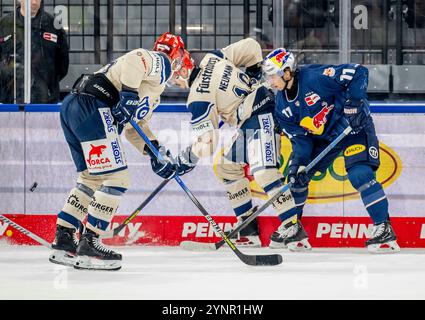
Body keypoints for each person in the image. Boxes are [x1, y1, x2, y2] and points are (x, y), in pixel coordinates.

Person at [48, 32, 193, 271]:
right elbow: (135, 58)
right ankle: (90, 241)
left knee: (90, 177)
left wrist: (155, 152)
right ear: (176, 57)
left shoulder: (151, 89)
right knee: (118, 177)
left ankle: (64, 238)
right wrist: (127, 95)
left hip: (74, 107)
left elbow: (136, 128)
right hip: (94, 106)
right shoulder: (162, 62)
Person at [262, 48, 400, 253]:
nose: (270, 81)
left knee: (360, 173)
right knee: (298, 176)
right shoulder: (282, 107)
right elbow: (301, 140)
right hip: (325, 137)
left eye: (273, 75)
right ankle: (294, 229)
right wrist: (299, 161)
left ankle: (384, 230)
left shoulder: (316, 77)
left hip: (352, 126)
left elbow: (358, 72)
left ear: (287, 72)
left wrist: (354, 102)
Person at [172, 38, 296, 247]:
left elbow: (209, 142)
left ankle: (294, 229)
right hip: (255, 114)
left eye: (174, 78)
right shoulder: (213, 58)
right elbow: (251, 46)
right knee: (227, 168)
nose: (175, 83)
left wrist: (186, 158)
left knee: (265, 171)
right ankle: (247, 230)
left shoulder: (197, 98)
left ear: (182, 72)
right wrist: (254, 72)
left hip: (261, 115)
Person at [0, 0, 69, 103]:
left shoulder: (53, 26)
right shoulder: (5, 25)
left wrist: (47, 83)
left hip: (45, 99)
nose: (34, 2)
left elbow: (62, 64)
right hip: (10, 99)